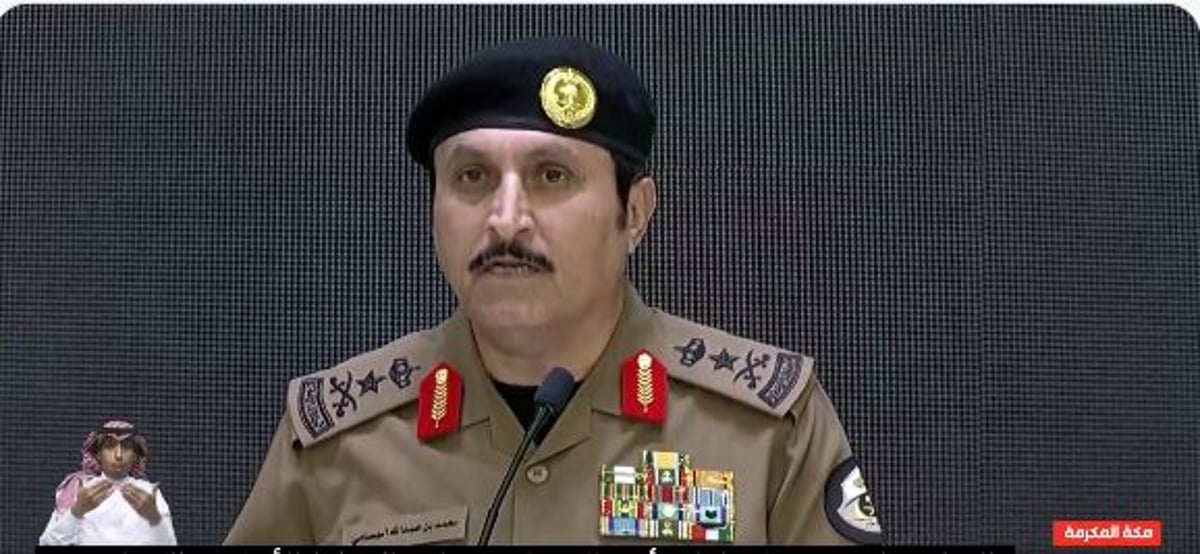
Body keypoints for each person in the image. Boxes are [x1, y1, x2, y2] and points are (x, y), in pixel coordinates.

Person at [226, 36, 881, 546]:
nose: (506, 219)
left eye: (551, 176)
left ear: (634, 214)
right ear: (433, 214)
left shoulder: (768, 430)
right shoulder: (341, 439)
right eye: (473, 177)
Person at [39, 420, 178, 545]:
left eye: (126, 447)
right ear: (98, 454)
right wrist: (77, 511)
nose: (118, 455)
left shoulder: (148, 494)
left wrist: (155, 518)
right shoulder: (79, 489)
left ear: (136, 455)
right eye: (110, 447)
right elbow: (47, 544)